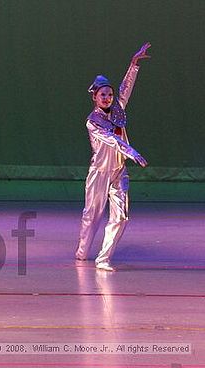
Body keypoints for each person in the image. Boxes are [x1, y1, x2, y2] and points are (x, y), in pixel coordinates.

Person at [75, 43, 151, 271]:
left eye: (109, 94)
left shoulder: (118, 108)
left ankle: (103, 259)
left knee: (121, 217)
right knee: (92, 215)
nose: (108, 97)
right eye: (103, 95)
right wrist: (133, 151)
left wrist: (134, 64)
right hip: (99, 173)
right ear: (95, 97)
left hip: (119, 172)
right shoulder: (92, 121)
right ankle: (81, 252)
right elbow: (113, 140)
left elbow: (126, 87)